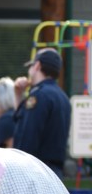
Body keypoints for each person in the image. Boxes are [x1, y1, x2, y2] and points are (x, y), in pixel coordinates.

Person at [13, 48, 71, 176]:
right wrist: (19, 95)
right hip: (55, 172)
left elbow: (27, 138)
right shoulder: (63, 96)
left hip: (36, 172)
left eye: (31, 66)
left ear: (37, 65)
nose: (29, 71)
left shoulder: (38, 96)